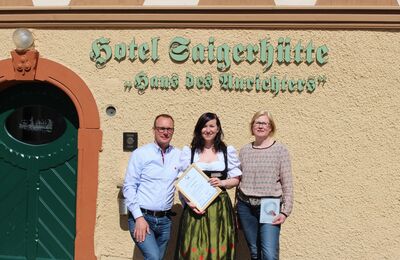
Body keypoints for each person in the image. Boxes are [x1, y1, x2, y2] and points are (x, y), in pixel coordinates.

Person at [174, 112, 242, 260]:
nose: (208, 130)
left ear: (218, 129)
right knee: (193, 250)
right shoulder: (190, 152)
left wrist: (223, 182)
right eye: (204, 126)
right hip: (195, 207)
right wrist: (189, 202)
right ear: (199, 129)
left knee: (219, 249)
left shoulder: (226, 151)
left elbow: (236, 179)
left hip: (220, 208)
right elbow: (182, 182)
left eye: (212, 126)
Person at [236, 110, 293, 260]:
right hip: (245, 206)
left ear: (270, 127)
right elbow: (239, 180)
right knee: (254, 251)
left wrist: (285, 211)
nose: (260, 126)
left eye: (264, 123)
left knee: (269, 253)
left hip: (269, 205)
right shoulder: (244, 151)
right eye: (257, 122)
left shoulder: (280, 150)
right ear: (252, 126)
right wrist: (236, 210)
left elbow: (287, 183)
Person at [123, 114, 181, 260]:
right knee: (154, 258)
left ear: (173, 131)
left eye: (169, 129)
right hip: (143, 217)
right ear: (154, 130)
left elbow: (186, 181)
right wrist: (139, 217)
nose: (165, 132)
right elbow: (129, 187)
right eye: (161, 128)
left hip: (165, 220)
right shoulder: (141, 154)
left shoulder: (178, 155)